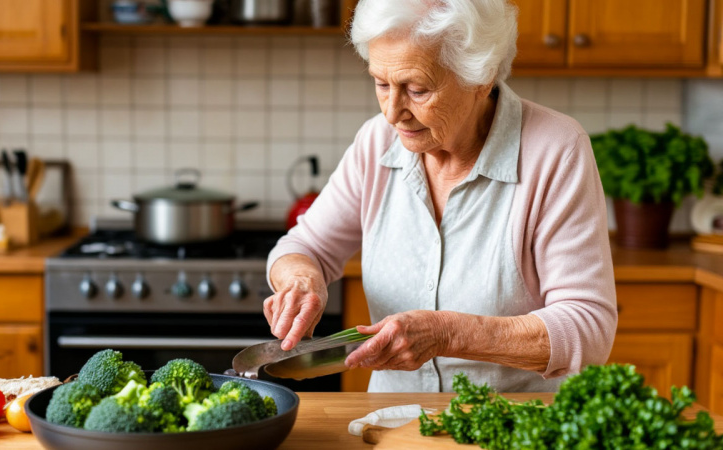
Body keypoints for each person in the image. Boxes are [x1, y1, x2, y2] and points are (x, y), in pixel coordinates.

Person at [263, 0, 618, 393]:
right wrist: (301, 281)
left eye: (417, 89)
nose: (392, 112)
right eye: (381, 83)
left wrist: (448, 333)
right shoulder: (376, 142)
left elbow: (588, 329)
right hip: (391, 425)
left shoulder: (555, 150)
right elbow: (304, 245)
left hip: (511, 428)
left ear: (480, 79)